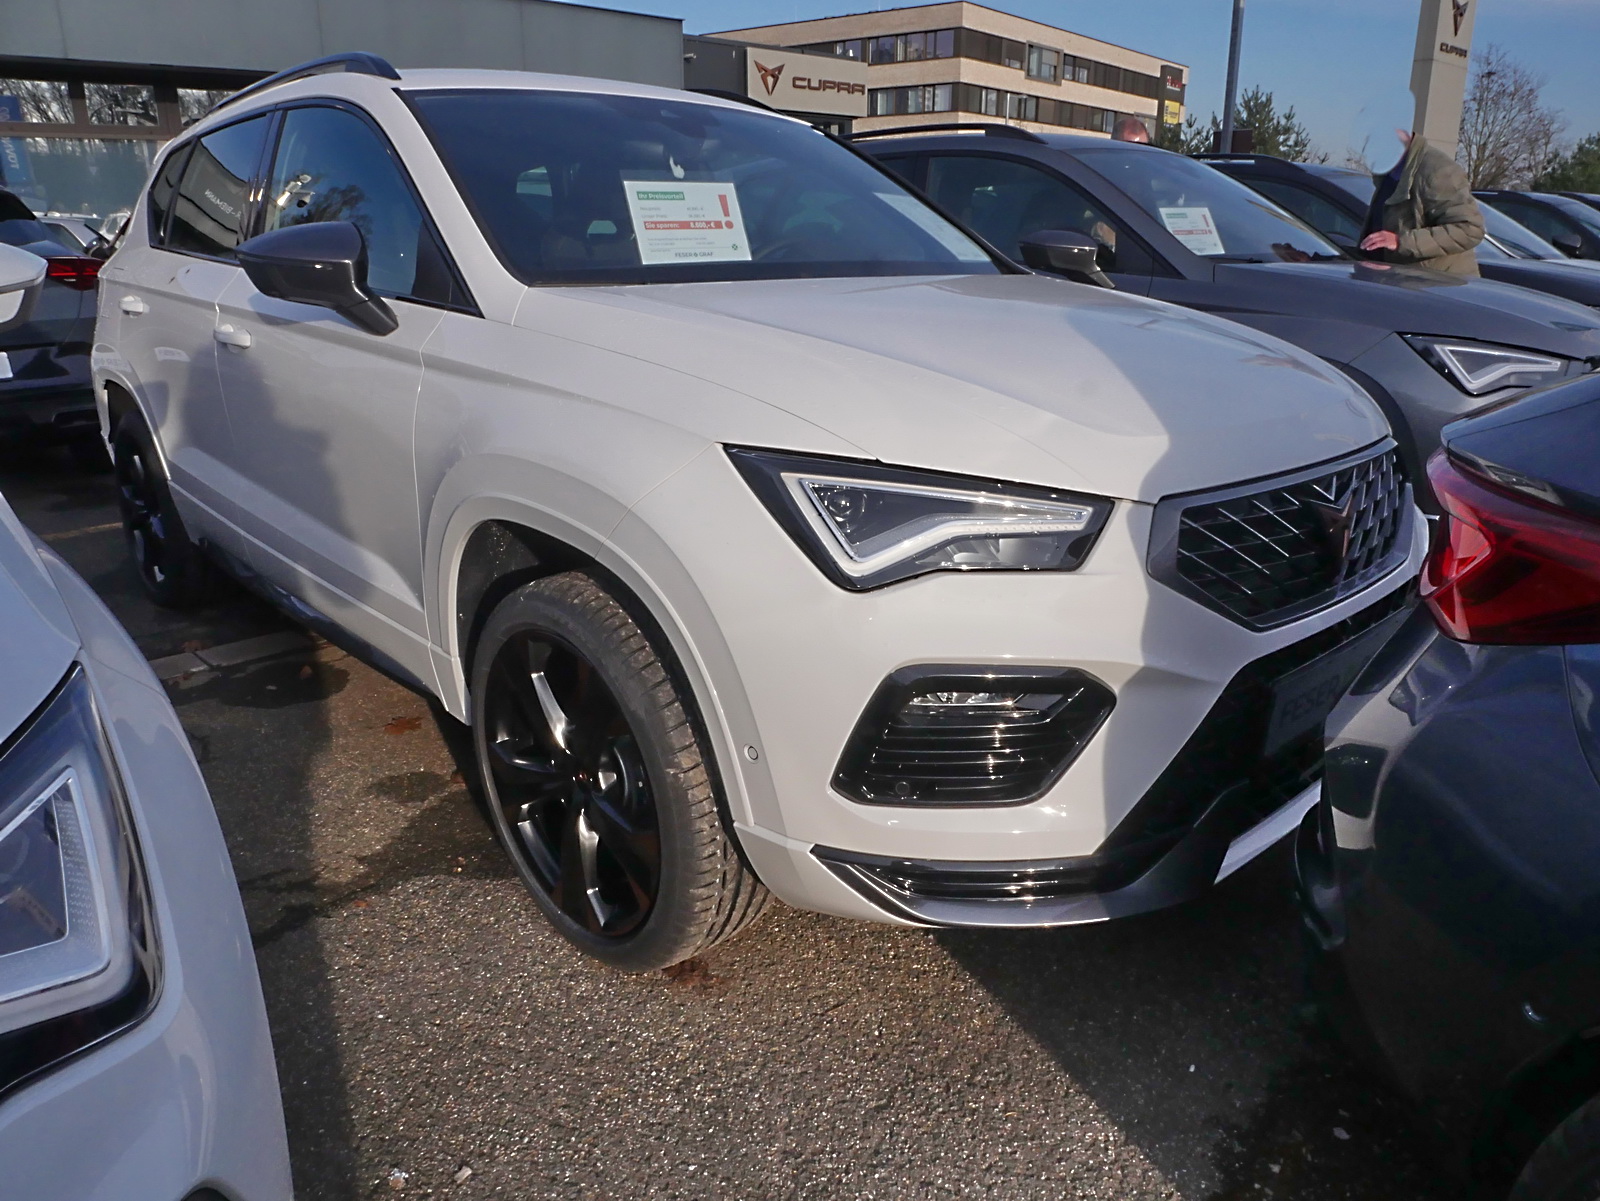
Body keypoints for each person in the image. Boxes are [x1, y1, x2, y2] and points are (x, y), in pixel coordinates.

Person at [1359, 128, 1483, 275]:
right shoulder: (1389, 170)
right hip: (1398, 283)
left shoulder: (1437, 170)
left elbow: (1469, 229)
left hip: (1439, 286)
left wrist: (1401, 242)